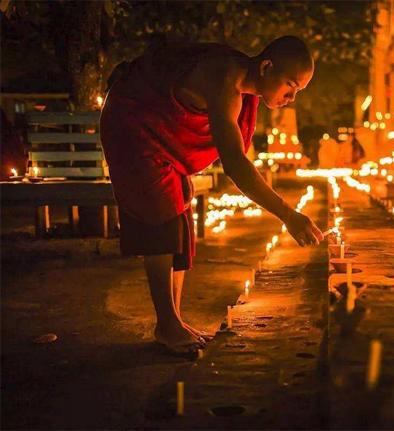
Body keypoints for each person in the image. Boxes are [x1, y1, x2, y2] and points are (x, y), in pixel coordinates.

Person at [100, 36, 323, 356]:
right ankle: (166, 324)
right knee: (160, 218)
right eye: (290, 85)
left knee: (178, 216)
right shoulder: (224, 81)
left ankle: (172, 321)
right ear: (266, 66)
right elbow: (234, 163)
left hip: (162, 138)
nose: (291, 97)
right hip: (135, 125)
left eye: (298, 91)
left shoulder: (246, 89)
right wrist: (288, 214)